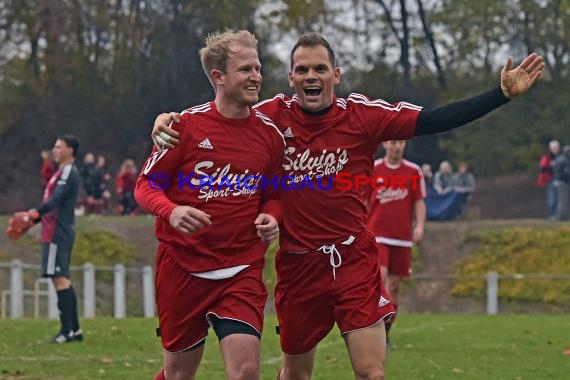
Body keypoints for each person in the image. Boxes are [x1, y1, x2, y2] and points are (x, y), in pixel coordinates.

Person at [152, 32, 544, 380]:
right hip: (299, 267)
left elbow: (434, 119)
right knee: (295, 373)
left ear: (335, 75)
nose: (311, 76)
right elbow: (221, 110)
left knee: (371, 371)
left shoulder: (364, 116)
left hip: (353, 259)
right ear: (291, 79)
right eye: (302, 69)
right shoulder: (270, 117)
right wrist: (166, 120)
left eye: (320, 68)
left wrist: (501, 95)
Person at [134, 30, 284, 380]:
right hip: (182, 269)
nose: (256, 77)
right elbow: (145, 185)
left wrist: (272, 217)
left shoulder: (269, 135)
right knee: (178, 374)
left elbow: (274, 195)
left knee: (246, 372)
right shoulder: (184, 127)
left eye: (258, 68)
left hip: (241, 269)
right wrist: (171, 211)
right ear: (218, 77)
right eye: (245, 69)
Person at [366, 140, 426, 345]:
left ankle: (386, 330)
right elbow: (363, 200)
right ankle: (371, 327)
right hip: (377, 234)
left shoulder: (413, 171)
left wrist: (419, 226)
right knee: (380, 277)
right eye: (393, 142)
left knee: (394, 285)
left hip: (401, 237)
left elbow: (419, 200)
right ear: (385, 144)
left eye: (401, 142)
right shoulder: (374, 169)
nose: (397, 146)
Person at [30, 135, 83, 343]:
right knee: (62, 278)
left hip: (57, 231)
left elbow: (57, 200)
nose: (54, 150)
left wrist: (34, 213)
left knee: (58, 277)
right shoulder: (60, 171)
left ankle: (67, 330)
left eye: (58, 147)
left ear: (70, 150)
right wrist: (35, 218)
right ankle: (75, 330)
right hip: (56, 230)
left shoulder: (69, 171)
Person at [537, 140, 560, 219]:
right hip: (550, 180)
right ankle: (551, 214)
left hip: (559, 180)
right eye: (553, 147)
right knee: (552, 198)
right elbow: (542, 169)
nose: (555, 149)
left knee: (559, 198)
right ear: (550, 148)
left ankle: (557, 214)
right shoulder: (547, 157)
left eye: (556, 147)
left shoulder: (560, 156)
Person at [552, 145, 570, 220]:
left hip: (559, 181)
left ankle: (563, 215)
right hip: (563, 182)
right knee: (563, 200)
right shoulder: (565, 160)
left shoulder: (560, 158)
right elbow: (566, 172)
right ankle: (561, 216)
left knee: (562, 200)